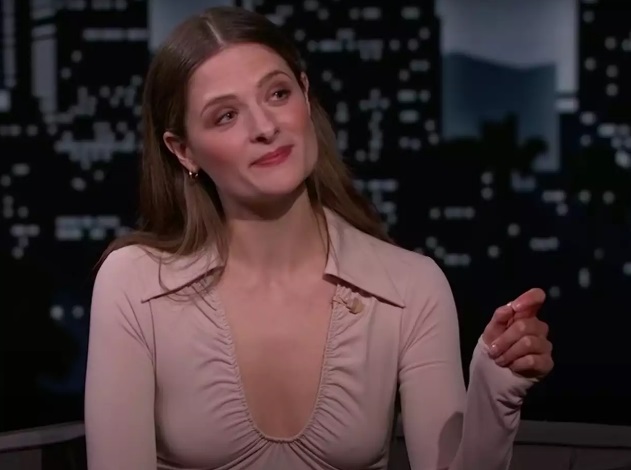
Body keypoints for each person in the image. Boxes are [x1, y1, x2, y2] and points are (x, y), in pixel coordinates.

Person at [84, 6, 553, 470]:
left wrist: (495, 390)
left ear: (305, 96)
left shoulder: (412, 287)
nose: (265, 128)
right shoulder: (133, 285)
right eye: (226, 116)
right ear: (183, 150)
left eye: (277, 94)